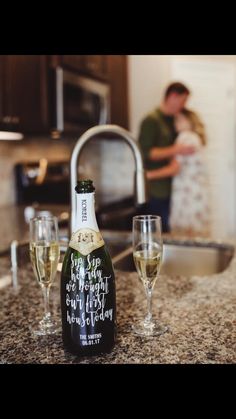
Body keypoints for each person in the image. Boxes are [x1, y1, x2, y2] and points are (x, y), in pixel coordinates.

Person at [138, 82, 195, 232]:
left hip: (172, 188)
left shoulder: (172, 121)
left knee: (168, 233)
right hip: (156, 190)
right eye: (183, 101)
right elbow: (146, 153)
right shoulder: (151, 120)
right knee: (158, 234)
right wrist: (177, 150)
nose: (183, 106)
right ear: (172, 96)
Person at [169, 109, 211, 237]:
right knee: (197, 238)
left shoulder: (185, 136)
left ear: (190, 122)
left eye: (180, 119)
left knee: (185, 237)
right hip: (198, 194)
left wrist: (148, 175)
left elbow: (174, 168)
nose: (176, 123)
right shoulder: (195, 138)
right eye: (175, 119)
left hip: (187, 196)